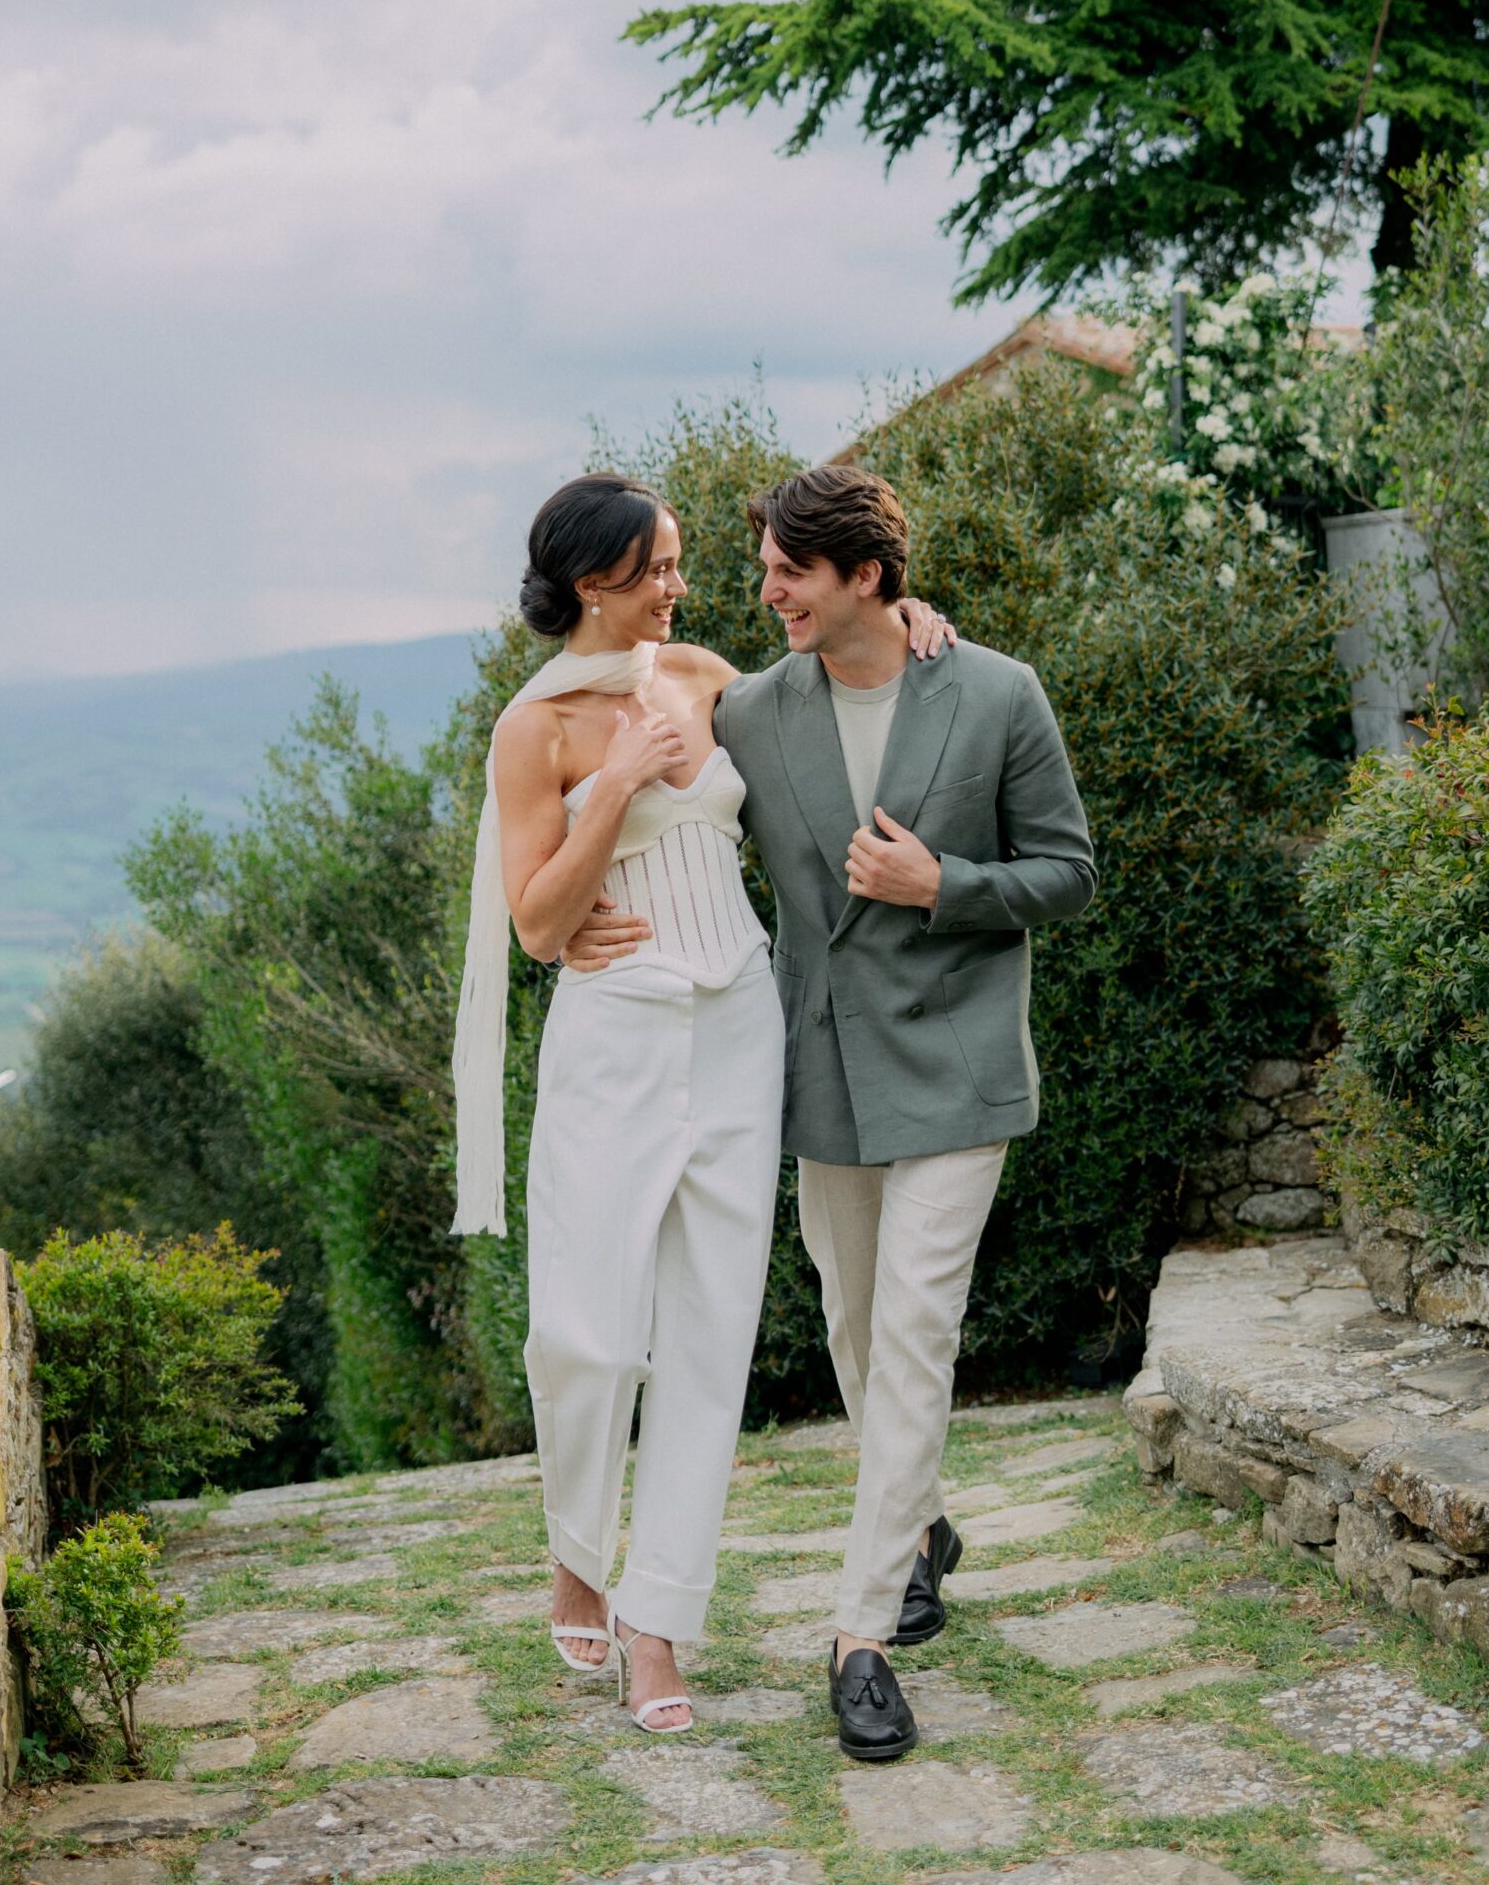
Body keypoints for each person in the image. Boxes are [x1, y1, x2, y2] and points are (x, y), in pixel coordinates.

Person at [567, 464, 1095, 1761]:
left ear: (866, 576)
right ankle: (915, 1526)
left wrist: (942, 882)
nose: (766, 593)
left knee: (912, 1332)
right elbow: (629, 741)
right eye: (759, 570)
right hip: (818, 1080)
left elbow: (1065, 871)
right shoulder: (754, 708)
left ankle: (859, 1638)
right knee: (859, 1331)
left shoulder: (994, 694)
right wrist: (562, 900)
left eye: (789, 572)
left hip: (958, 1074)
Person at [451, 472, 952, 1734]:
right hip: (613, 1038)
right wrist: (617, 781)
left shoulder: (711, 673)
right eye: (659, 567)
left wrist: (917, 619)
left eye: (679, 562)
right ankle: (577, 1539)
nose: (682, 586)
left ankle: (656, 1627)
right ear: (590, 583)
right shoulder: (535, 729)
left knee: (712, 1330)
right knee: (589, 1334)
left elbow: (848, 688)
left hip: (736, 1024)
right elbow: (538, 927)